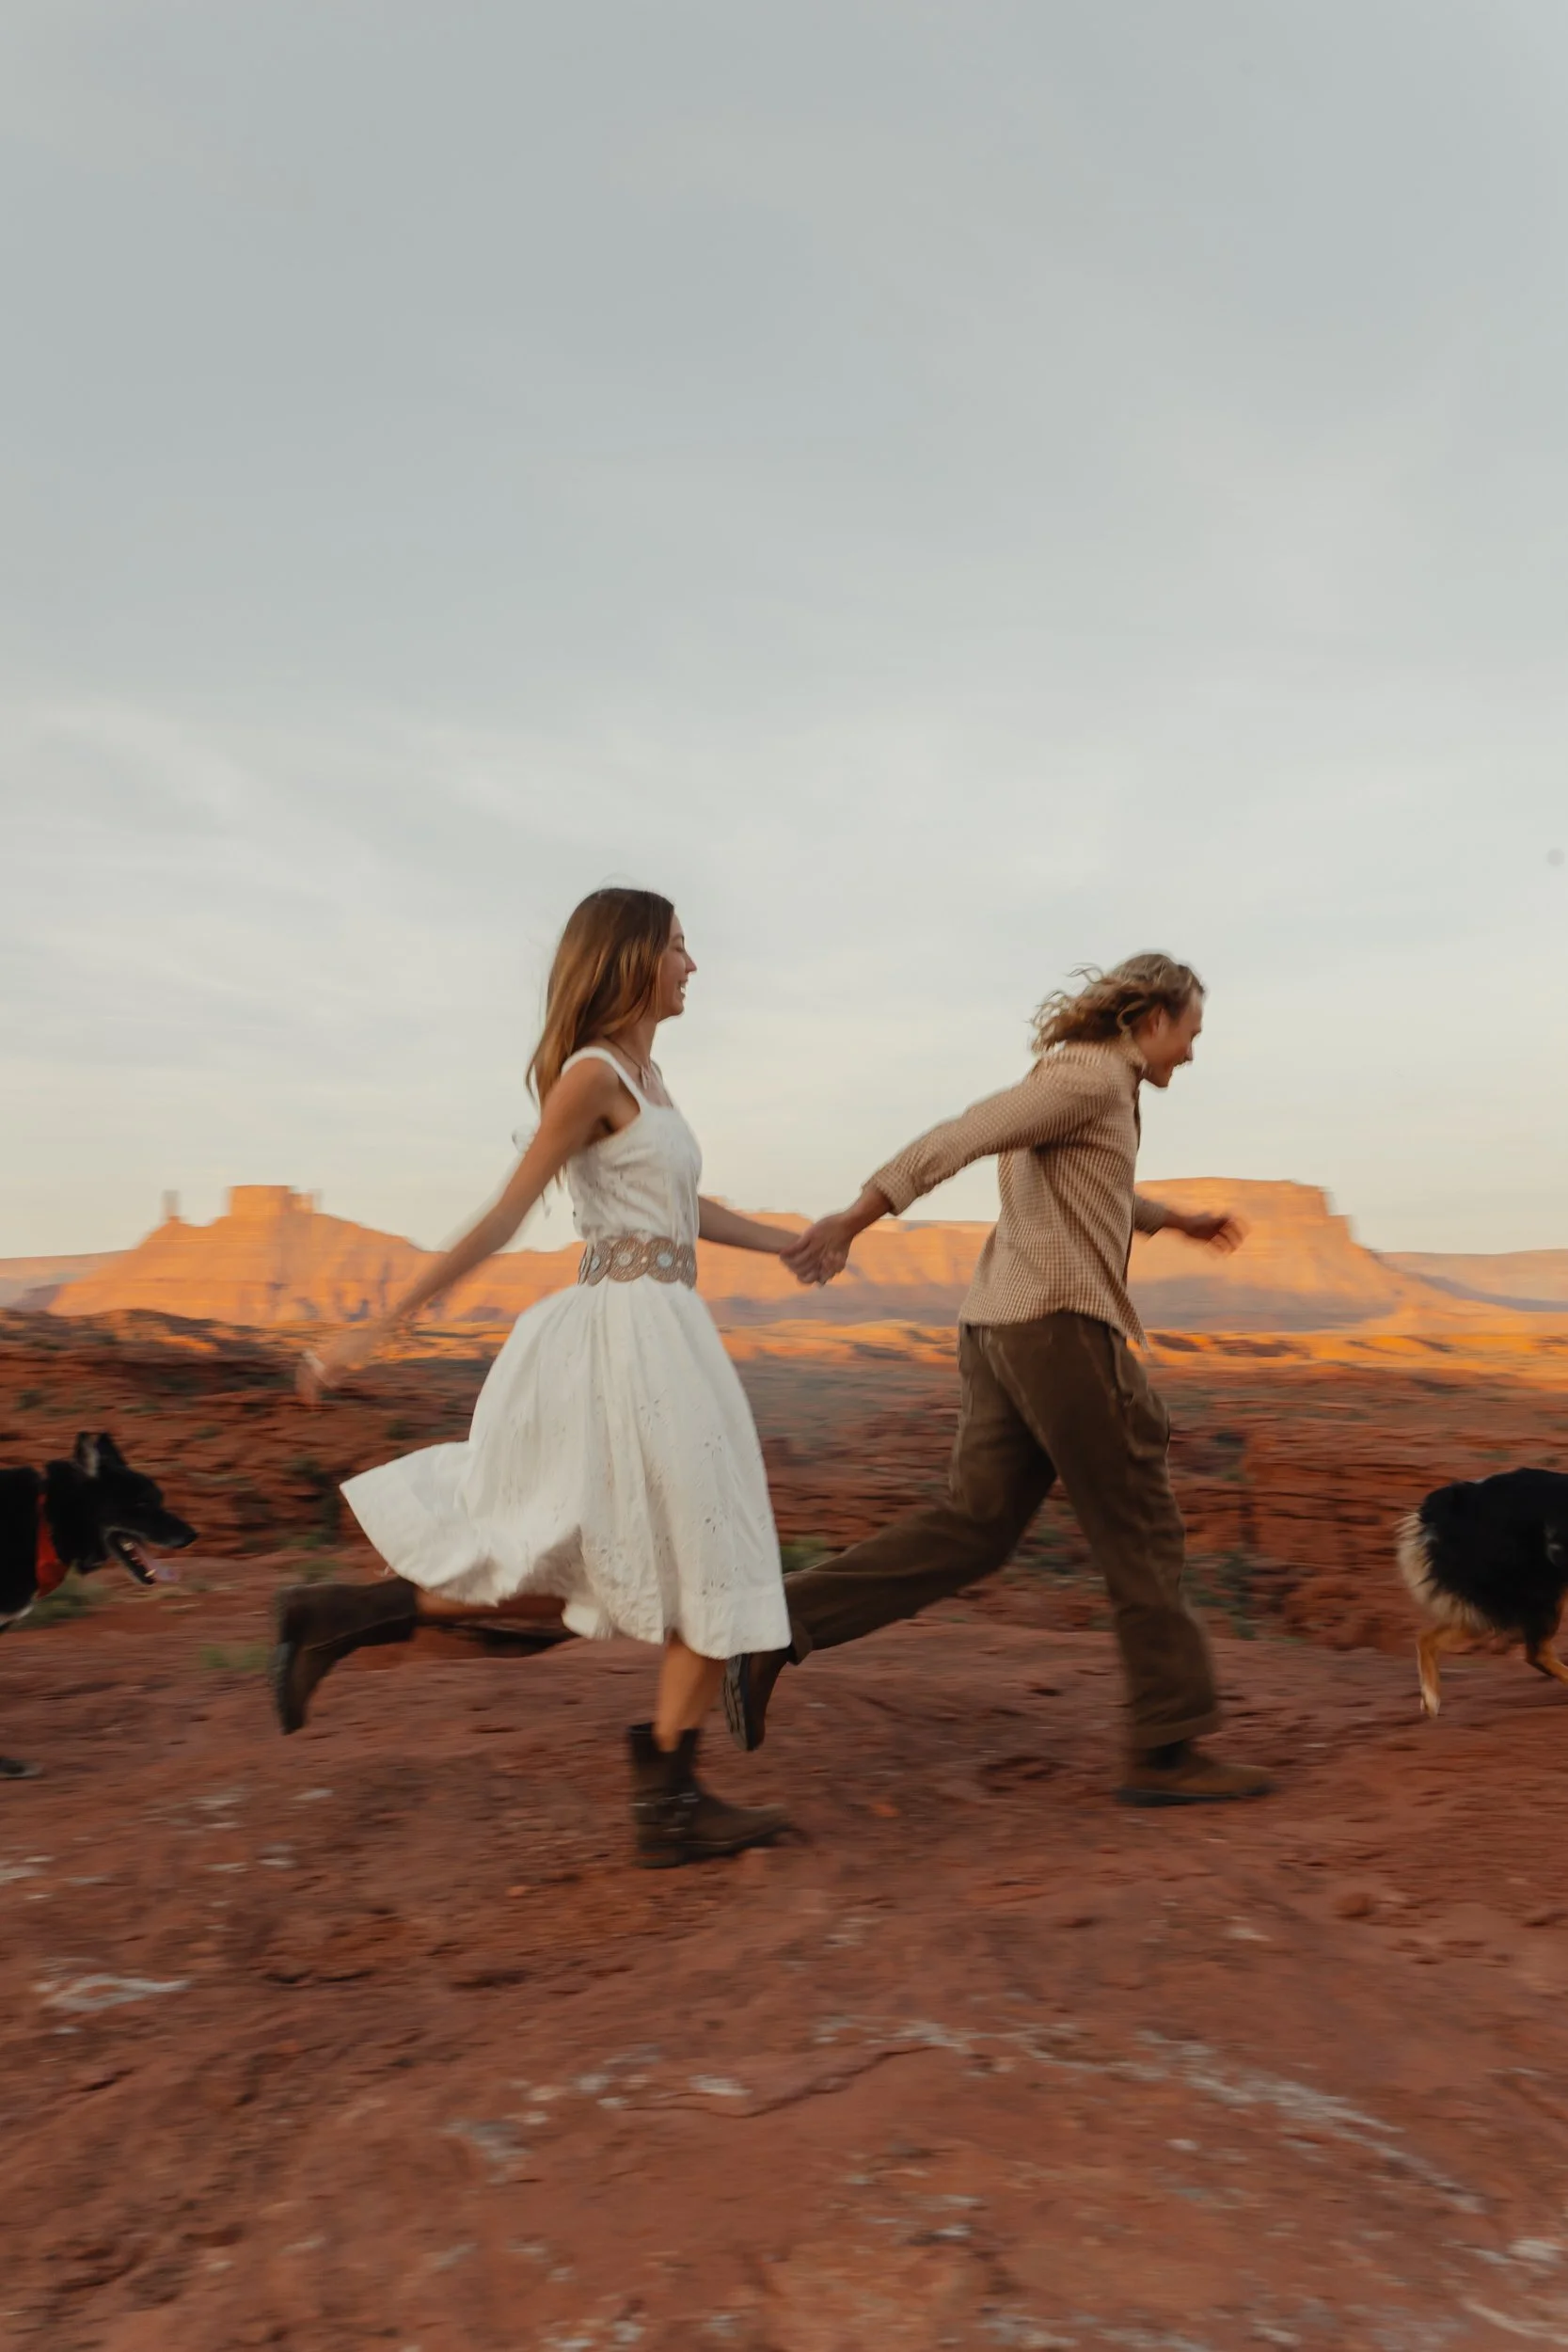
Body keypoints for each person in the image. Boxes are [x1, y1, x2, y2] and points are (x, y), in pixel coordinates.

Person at [273, 887, 808, 1868]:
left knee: (683, 1554)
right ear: (632, 958)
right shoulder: (591, 1074)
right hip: (623, 1338)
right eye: (680, 947)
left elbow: (683, 1205)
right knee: (679, 1553)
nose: (693, 966)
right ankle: (666, 1795)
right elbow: (502, 1215)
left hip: (671, 1329)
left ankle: (342, 1619)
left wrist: (785, 1243)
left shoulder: (650, 1075)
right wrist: (374, 1329)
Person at [730, 953, 1274, 1807]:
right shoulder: (1093, 1078)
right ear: (1151, 1019)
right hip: (1058, 1328)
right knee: (1141, 1529)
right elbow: (961, 1134)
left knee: (975, 1527)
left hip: (998, 1327)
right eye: (1191, 1034)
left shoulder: (1086, 1086)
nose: (1193, 1055)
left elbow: (1099, 1184)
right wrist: (853, 1219)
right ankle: (1166, 1751)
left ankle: (776, 1628)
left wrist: (1177, 1221)